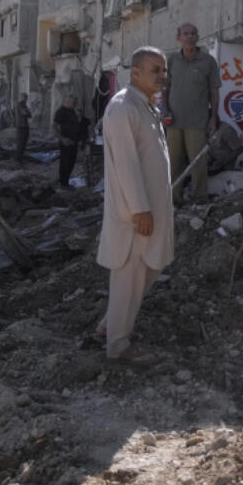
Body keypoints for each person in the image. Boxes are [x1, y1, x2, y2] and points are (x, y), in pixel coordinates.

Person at [96, 48, 174, 365]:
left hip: (152, 212)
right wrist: (140, 209)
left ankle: (108, 326)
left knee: (151, 267)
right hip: (134, 216)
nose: (162, 76)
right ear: (136, 73)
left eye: (164, 70)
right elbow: (126, 165)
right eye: (155, 70)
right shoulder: (122, 107)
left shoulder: (145, 106)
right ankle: (117, 345)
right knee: (130, 274)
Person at [162, 23, 220, 203]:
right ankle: (173, 198)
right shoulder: (171, 60)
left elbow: (214, 91)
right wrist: (164, 110)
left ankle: (199, 198)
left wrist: (213, 118)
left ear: (197, 37)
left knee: (198, 163)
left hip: (197, 121)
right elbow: (165, 87)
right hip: (174, 121)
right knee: (173, 162)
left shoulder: (208, 61)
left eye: (193, 33)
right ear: (178, 38)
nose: (189, 37)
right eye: (185, 34)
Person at [53, 95, 83, 187]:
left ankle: (65, 180)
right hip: (66, 142)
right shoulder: (61, 111)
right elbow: (54, 126)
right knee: (65, 163)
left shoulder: (72, 111)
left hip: (73, 141)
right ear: (68, 102)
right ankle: (63, 183)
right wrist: (62, 139)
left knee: (71, 162)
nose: (75, 105)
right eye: (74, 103)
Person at [14, 93, 32, 163]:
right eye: (24, 97)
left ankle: (21, 158)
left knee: (24, 143)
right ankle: (18, 159)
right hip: (21, 127)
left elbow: (30, 115)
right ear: (21, 97)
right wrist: (27, 112)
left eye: (26, 98)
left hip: (25, 126)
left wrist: (27, 112)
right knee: (20, 143)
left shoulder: (24, 105)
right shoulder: (20, 105)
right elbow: (25, 113)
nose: (25, 99)